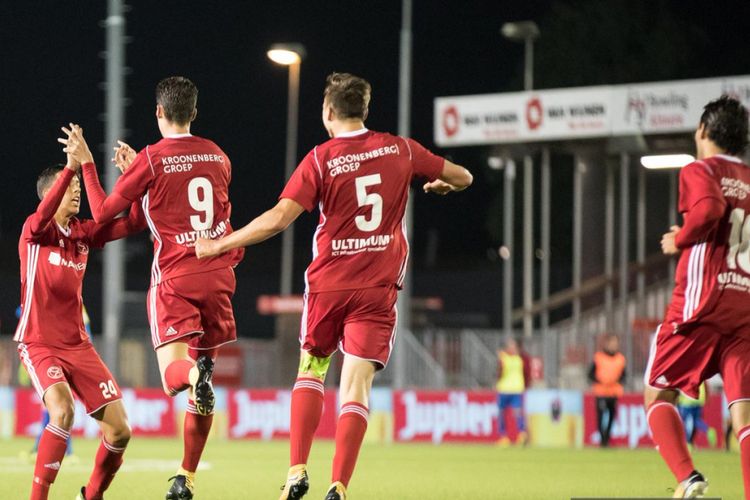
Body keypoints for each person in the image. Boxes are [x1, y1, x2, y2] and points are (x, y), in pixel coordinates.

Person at [195, 72, 472, 500]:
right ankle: (339, 485)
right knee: (356, 386)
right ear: (365, 110)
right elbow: (465, 177)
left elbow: (277, 219)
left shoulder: (321, 159)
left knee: (312, 370)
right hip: (378, 289)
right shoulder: (400, 149)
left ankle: (296, 470)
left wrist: (219, 244)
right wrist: (441, 184)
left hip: (329, 286)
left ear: (327, 112)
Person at [61, 76, 244, 500]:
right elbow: (178, 207)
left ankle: (197, 373)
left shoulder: (153, 158)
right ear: (194, 113)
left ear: (158, 112)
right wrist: (140, 179)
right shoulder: (219, 156)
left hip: (177, 278)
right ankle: (185, 476)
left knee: (174, 378)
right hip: (219, 277)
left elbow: (105, 212)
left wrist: (90, 163)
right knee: (204, 390)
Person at [14, 143, 145, 500]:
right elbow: (42, 215)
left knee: (120, 431)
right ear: (49, 194)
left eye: (75, 187)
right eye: (68, 187)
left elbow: (133, 222)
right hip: (39, 341)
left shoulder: (83, 233)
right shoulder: (35, 231)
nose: (75, 193)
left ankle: (92, 496)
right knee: (62, 410)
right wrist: (72, 168)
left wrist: (133, 178)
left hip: (78, 345)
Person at [645, 95, 750, 499]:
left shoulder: (700, 168)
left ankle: (688, 478)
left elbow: (708, 210)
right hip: (745, 309)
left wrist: (680, 238)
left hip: (702, 305)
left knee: (657, 394)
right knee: (744, 413)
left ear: (704, 131)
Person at [588, 334, 626, 448]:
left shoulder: (621, 359)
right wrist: (600, 380)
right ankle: (602, 439)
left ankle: (607, 438)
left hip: (614, 392)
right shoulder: (598, 357)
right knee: (600, 415)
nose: (613, 345)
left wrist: (617, 381)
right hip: (601, 391)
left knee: (611, 415)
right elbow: (590, 374)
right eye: (612, 343)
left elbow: (624, 375)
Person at [495, 337, 529, 446]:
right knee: (501, 414)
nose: (511, 348)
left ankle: (522, 434)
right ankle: (504, 437)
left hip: (516, 389)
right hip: (504, 389)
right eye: (509, 346)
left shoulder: (521, 358)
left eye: (513, 346)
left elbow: (526, 372)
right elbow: (499, 372)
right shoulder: (504, 358)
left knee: (517, 412)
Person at [677, 382, 717, 448]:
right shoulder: (700, 374)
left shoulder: (685, 374)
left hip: (687, 402)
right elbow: (706, 385)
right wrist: (707, 398)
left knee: (687, 422)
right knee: (696, 420)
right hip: (698, 400)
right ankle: (707, 430)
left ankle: (688, 443)